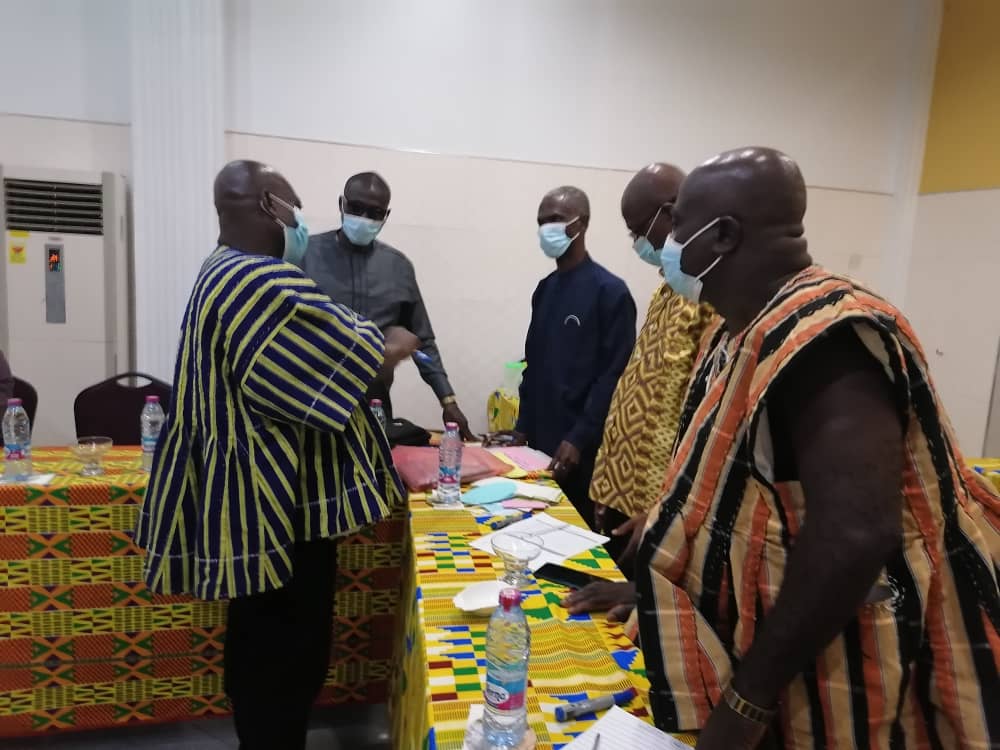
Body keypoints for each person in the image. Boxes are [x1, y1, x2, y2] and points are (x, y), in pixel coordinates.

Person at [634, 147, 999, 749]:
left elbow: (853, 539)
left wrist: (746, 703)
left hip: (857, 673)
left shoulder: (825, 337)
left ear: (722, 234)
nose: (666, 246)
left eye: (676, 227)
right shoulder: (744, 328)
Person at [134, 160, 412, 750]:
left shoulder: (218, 270)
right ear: (269, 207)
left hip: (254, 506)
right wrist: (393, 343)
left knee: (259, 645)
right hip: (275, 510)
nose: (301, 221)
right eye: (294, 206)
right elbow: (351, 362)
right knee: (286, 655)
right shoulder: (260, 283)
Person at [563, 163, 714, 619]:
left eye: (639, 231)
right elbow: (639, 389)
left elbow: (698, 417)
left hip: (666, 509)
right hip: (626, 500)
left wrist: (663, 511)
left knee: (645, 623)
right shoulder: (668, 291)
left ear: (671, 214)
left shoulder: (712, 301)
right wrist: (607, 479)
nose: (638, 245)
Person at [298, 171, 474, 438]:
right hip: (310, 405)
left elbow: (422, 342)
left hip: (374, 407)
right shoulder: (304, 255)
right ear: (341, 204)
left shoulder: (398, 267)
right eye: (356, 208)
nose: (364, 219)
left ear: (386, 216)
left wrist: (447, 400)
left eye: (375, 213)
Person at [506, 186, 637, 529]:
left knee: (572, 542)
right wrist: (521, 429)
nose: (547, 228)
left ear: (582, 223)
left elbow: (613, 376)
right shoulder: (545, 289)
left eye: (556, 219)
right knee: (533, 530)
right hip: (538, 446)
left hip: (582, 450)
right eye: (541, 221)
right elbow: (533, 366)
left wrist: (578, 438)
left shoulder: (610, 292)